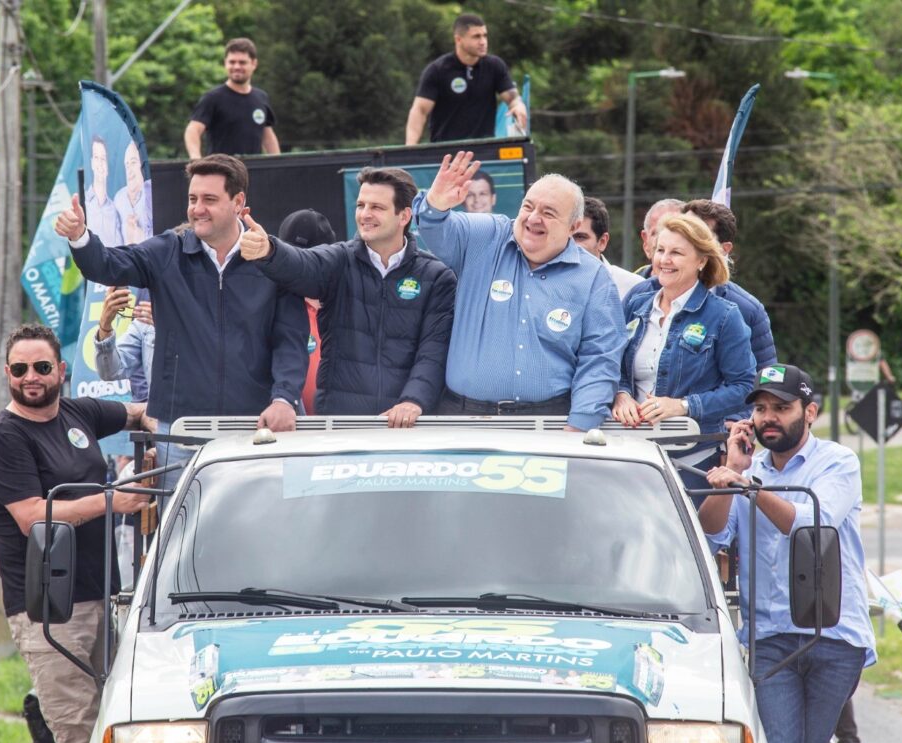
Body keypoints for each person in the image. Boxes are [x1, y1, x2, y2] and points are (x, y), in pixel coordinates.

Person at [54, 153, 308, 485]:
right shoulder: (166, 252)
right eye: (192, 198)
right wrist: (80, 236)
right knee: (183, 534)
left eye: (209, 199)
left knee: (254, 529)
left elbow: (289, 340)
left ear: (238, 201)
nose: (197, 208)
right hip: (179, 432)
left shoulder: (270, 260)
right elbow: (107, 264)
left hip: (252, 429)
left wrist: (284, 398)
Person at [0, 324, 153, 743]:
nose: (30, 376)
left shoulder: (78, 414)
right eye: (19, 369)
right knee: (79, 734)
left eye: (41, 367)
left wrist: (158, 427)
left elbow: (137, 413)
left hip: (103, 596)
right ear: (9, 374)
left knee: (119, 727)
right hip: (49, 608)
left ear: (62, 370)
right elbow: (34, 517)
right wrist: (118, 498)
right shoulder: (3, 438)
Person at [698, 363, 876, 743]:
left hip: (832, 635)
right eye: (760, 409)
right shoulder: (748, 471)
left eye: (781, 407)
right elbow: (711, 536)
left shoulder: (838, 463)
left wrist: (750, 489)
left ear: (809, 412)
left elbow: (813, 525)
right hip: (771, 640)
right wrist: (734, 472)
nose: (768, 418)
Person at [412, 151, 625, 431]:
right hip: (464, 417)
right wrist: (436, 204)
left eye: (548, 213)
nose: (534, 218)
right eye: (528, 206)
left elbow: (600, 357)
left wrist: (580, 424)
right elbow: (437, 228)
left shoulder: (593, 277)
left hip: (549, 422)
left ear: (573, 227)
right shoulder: (487, 236)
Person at [241, 167, 456, 424]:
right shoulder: (339, 261)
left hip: (408, 426)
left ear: (404, 216)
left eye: (377, 207)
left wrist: (413, 401)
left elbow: (433, 351)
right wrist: (269, 250)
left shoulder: (437, 277)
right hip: (341, 426)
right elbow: (302, 263)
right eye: (360, 205)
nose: (365, 214)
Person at [612, 212, 755, 476]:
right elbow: (611, 363)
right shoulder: (635, 304)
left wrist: (683, 405)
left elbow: (744, 388)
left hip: (693, 457)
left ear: (702, 260)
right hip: (630, 453)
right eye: (660, 250)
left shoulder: (724, 315)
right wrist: (621, 395)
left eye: (676, 253)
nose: (664, 260)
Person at [681, 199, 776, 369]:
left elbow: (764, 382)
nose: (683, 242)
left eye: (698, 237)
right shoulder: (642, 298)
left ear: (724, 249)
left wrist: (689, 398)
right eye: (681, 232)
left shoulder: (747, 310)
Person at [405, 13, 528, 144]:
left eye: (485, 35)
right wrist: (409, 148)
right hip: (445, 151)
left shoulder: (495, 66)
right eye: (476, 37)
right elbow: (420, 110)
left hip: (483, 149)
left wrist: (519, 105)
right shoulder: (437, 70)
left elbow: (512, 98)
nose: (483, 42)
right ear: (458, 39)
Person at [276, 208, 338, 414]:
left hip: (346, 431)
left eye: (304, 259)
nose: (295, 267)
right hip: (291, 432)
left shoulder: (348, 304)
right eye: (290, 257)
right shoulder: (277, 307)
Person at [184, 38, 280, 159]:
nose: (236, 66)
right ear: (225, 63)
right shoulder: (213, 97)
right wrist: (196, 159)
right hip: (220, 172)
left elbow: (267, 136)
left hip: (254, 172)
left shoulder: (261, 97)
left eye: (242, 62)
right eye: (232, 62)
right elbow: (193, 130)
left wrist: (278, 163)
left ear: (254, 64)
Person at [572, 196, 643, 299]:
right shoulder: (547, 284)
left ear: (602, 242)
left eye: (580, 237)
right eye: (566, 238)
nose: (571, 245)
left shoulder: (633, 287)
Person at [95, 286, 154, 402]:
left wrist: (170, 327)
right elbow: (110, 372)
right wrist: (105, 325)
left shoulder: (198, 310)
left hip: (195, 413)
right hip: (157, 412)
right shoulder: (145, 321)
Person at [84, 135, 123, 247]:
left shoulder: (115, 210)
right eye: (96, 157)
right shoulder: (82, 205)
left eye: (103, 158)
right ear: (91, 163)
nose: (100, 163)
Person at [114, 141, 153, 244]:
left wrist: (142, 237)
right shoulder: (119, 198)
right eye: (127, 165)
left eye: (133, 163)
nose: (129, 170)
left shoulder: (153, 195)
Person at [634, 198, 685, 276]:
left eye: (676, 232)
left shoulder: (707, 285)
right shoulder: (627, 285)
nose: (665, 239)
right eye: (657, 232)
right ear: (645, 241)